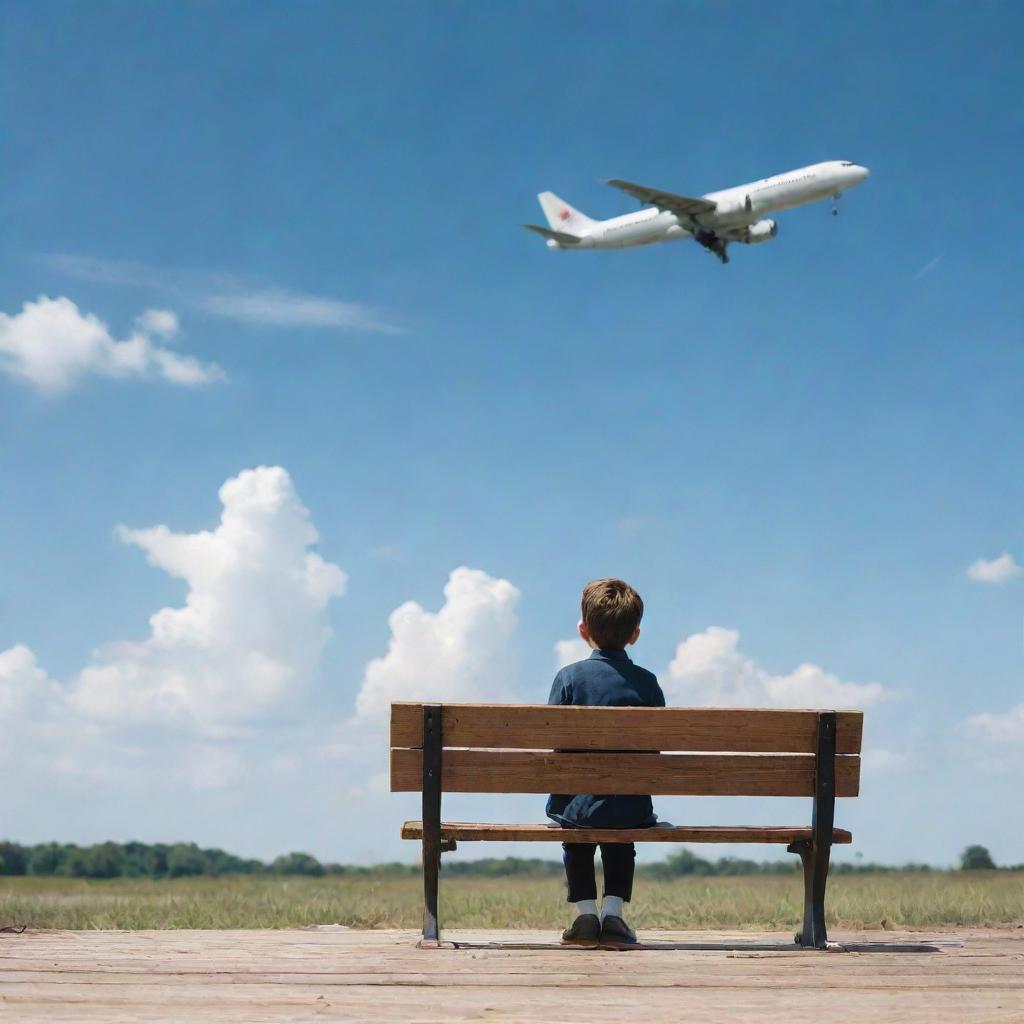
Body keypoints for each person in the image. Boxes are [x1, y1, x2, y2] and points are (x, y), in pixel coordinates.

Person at [546, 578, 666, 949]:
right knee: (621, 830)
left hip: (577, 807)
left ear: (583, 630)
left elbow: (553, 743)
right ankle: (612, 915)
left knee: (576, 832)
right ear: (635, 635)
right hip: (630, 805)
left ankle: (585, 915)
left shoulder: (568, 678)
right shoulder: (647, 683)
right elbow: (656, 750)